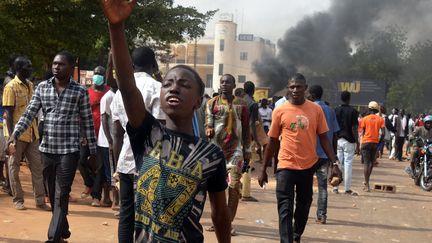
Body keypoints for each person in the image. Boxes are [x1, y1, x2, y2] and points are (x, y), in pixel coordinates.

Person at [102, 1, 231, 242]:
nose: (174, 89)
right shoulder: (147, 132)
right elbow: (128, 88)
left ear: (197, 101)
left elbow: (220, 214)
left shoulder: (211, 154)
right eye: (168, 84)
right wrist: (116, 27)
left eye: (184, 86)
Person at [7, 51, 97, 242]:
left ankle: (53, 237)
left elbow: (87, 122)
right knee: (53, 192)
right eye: (55, 64)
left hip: (69, 151)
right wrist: (14, 134)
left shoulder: (79, 91)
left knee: (61, 193)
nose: (56, 67)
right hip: (47, 149)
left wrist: (93, 152)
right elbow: (29, 114)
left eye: (61, 64)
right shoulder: (42, 88)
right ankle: (63, 230)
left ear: (71, 67)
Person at [258, 73, 338, 243]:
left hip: (307, 167)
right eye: (292, 86)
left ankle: (296, 236)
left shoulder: (316, 110)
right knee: (285, 207)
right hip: (285, 165)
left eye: (298, 86)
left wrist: (335, 162)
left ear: (305, 88)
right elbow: (272, 141)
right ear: (288, 88)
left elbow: (324, 138)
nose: (295, 90)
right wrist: (264, 168)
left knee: (303, 206)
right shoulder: (280, 110)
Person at [110, 45, 166, 242]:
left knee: (126, 214)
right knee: (150, 216)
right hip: (152, 161)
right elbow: (162, 127)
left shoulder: (121, 92)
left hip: (126, 160)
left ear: (132, 65)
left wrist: (118, 165)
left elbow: (117, 133)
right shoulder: (159, 89)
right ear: (154, 65)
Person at [205, 74, 251, 235]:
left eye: (228, 82)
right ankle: (218, 221)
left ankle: (227, 223)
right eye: (222, 82)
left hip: (235, 152)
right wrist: (208, 129)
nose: (224, 85)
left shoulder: (242, 105)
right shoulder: (212, 103)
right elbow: (208, 123)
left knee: (233, 187)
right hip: (216, 152)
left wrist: (248, 152)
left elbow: (246, 129)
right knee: (216, 190)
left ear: (234, 85)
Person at [3, 56, 49, 211]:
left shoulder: (30, 85)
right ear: (19, 69)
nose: (30, 69)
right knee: (13, 168)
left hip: (32, 133)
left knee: (38, 167)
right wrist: (11, 138)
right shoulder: (10, 87)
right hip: (17, 134)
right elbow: (9, 114)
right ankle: (18, 200)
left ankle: (40, 201)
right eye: (27, 66)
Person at [308, 85, 340, 224]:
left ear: (312, 95)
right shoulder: (330, 111)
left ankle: (302, 213)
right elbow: (334, 136)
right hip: (325, 155)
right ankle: (322, 215)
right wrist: (334, 157)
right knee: (322, 187)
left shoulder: (308, 109)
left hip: (309, 154)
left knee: (305, 186)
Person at [99, 53, 119, 209]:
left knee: (115, 170)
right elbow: (104, 119)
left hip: (117, 140)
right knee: (111, 170)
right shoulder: (107, 97)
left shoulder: (120, 95)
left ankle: (111, 199)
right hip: (108, 141)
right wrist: (110, 141)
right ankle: (113, 200)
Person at [334, 91, 359, 194]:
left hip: (338, 139)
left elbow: (334, 126)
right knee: (348, 164)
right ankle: (347, 188)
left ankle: (335, 187)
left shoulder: (336, 110)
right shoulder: (353, 111)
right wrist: (357, 141)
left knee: (338, 163)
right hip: (349, 140)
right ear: (349, 99)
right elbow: (354, 128)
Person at [242, 81, 262, 201]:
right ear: (253, 90)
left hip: (237, 136)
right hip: (248, 138)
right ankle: (246, 193)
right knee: (248, 164)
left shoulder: (239, 101)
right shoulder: (253, 104)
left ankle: (237, 189)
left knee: (239, 163)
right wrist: (257, 141)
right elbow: (252, 124)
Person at [359, 101, 385, 192]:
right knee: (371, 163)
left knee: (366, 163)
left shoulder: (364, 119)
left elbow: (363, 131)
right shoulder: (380, 119)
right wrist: (379, 142)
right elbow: (383, 134)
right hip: (374, 143)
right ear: (377, 109)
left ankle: (367, 184)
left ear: (369, 109)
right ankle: (367, 182)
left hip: (366, 142)